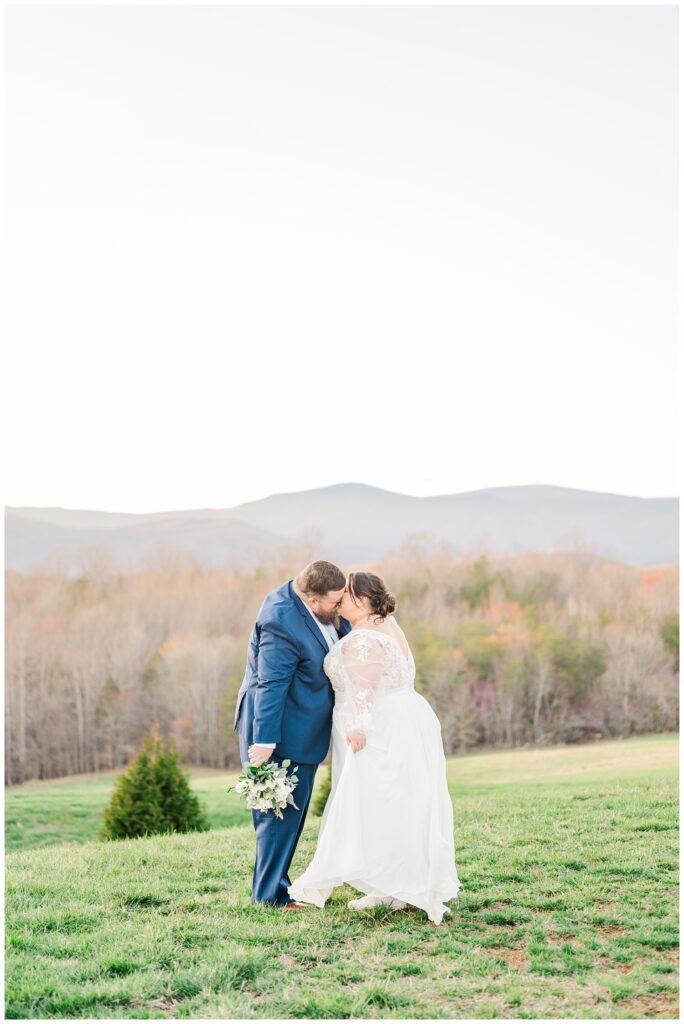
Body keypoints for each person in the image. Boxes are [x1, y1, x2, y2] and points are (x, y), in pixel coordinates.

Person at [287, 570, 462, 925]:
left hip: (378, 728)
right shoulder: (386, 625)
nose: (341, 600)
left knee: (368, 802)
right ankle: (395, 885)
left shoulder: (363, 638)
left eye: (348, 595)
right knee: (397, 803)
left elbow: (364, 687)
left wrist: (359, 726)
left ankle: (332, 882)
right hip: (405, 719)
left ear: (365, 601)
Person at [234, 560, 351, 908]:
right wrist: (265, 741)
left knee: (291, 815)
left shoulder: (316, 604)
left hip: (303, 724)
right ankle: (270, 896)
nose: (340, 606)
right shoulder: (281, 622)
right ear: (313, 601)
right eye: (335, 601)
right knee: (277, 816)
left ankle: (277, 887)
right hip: (280, 730)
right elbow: (270, 683)